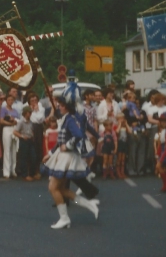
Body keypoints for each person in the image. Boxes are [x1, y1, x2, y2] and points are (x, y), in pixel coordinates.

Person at [41, 85, 99, 229]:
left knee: (52, 188)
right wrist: (49, 154)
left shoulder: (70, 120)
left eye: (61, 105)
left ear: (66, 107)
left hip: (66, 156)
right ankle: (88, 204)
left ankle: (65, 218)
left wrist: (67, 146)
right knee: (62, 190)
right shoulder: (67, 118)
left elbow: (78, 135)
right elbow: (61, 140)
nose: (59, 107)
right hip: (62, 156)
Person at [0, 93, 20, 179]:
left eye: (12, 100)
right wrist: (10, 122)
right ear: (6, 101)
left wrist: (15, 122)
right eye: (9, 100)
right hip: (7, 128)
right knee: (7, 149)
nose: (10, 101)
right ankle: (6, 172)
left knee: (14, 149)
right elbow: (1, 121)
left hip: (14, 128)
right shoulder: (3, 109)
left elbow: (18, 120)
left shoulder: (15, 110)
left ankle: (13, 170)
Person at [14, 106, 37, 181]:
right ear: (25, 113)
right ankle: (24, 175)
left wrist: (33, 136)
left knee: (33, 157)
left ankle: (32, 174)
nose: (30, 114)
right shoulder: (21, 122)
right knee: (23, 158)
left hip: (30, 140)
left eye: (30, 112)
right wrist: (22, 136)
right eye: (29, 112)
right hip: (24, 140)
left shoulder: (31, 121)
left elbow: (32, 130)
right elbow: (15, 132)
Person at [115, 113, 131, 179]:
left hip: (124, 143)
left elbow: (130, 132)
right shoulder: (116, 126)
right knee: (119, 158)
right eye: (120, 119)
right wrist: (119, 124)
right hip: (119, 143)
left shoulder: (125, 126)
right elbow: (117, 132)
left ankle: (122, 172)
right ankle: (118, 172)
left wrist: (126, 124)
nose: (122, 120)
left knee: (123, 159)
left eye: (123, 118)